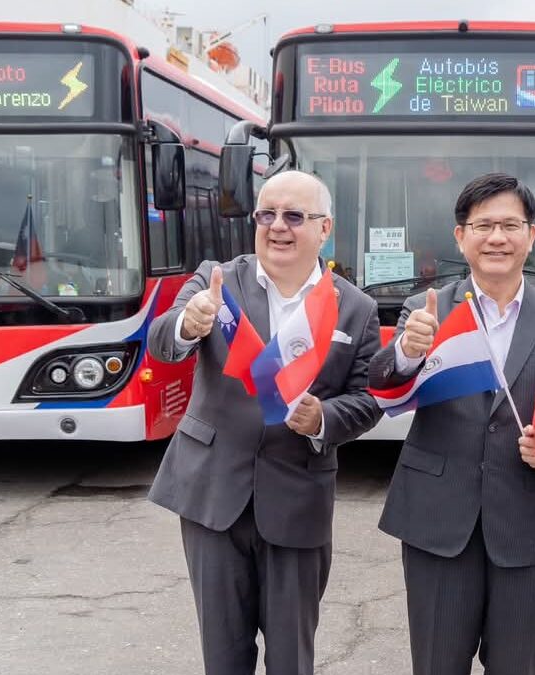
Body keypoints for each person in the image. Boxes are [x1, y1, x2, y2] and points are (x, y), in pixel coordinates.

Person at [146, 170, 382, 675]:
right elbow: (161, 343)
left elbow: (368, 399)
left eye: (294, 216)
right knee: (224, 654)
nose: (278, 226)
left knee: (292, 657)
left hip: (297, 496)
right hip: (212, 493)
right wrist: (188, 323)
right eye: (266, 214)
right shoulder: (216, 279)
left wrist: (324, 417)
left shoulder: (354, 308)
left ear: (324, 229)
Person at [369, 172, 535, 675]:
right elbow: (385, 389)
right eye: (483, 225)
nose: (497, 237)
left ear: (531, 235)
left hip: (521, 524)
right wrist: (409, 353)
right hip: (437, 521)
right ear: (461, 236)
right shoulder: (425, 311)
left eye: (510, 225)